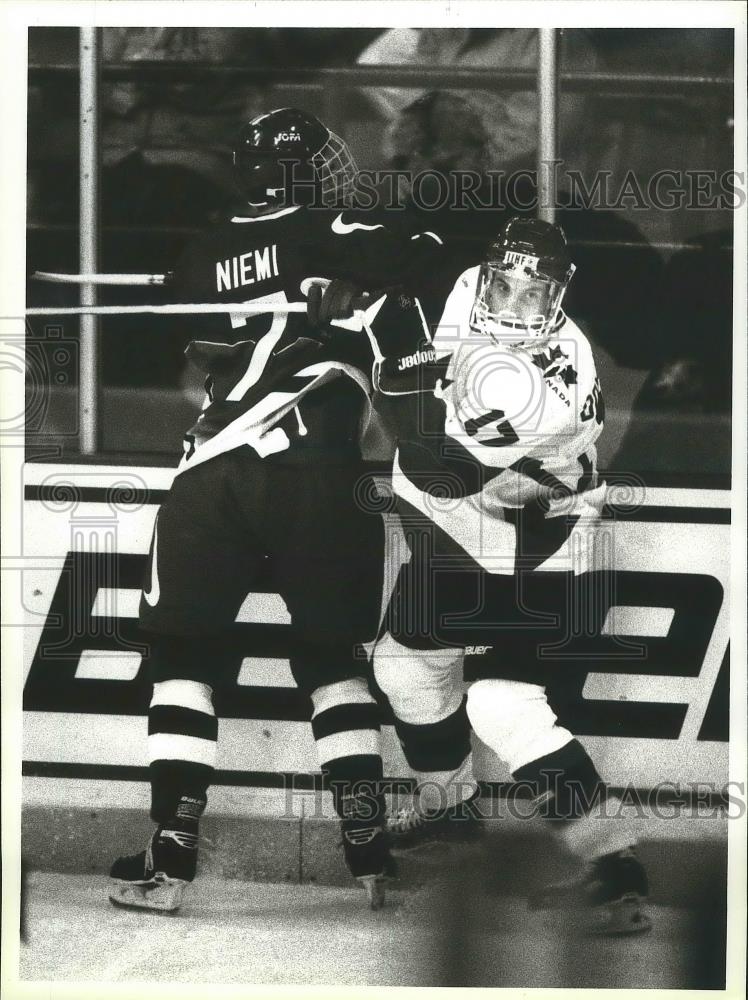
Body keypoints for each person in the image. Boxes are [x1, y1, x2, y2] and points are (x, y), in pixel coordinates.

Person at [108, 107, 445, 912]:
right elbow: (433, 260)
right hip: (323, 478)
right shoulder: (340, 225)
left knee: (184, 658)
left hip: (214, 474)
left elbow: (205, 353)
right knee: (333, 659)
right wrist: (349, 282)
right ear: (303, 171)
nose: (336, 166)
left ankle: (171, 853)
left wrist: (271, 295)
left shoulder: (200, 251)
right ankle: (367, 850)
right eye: (321, 157)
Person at [360, 216, 651, 935]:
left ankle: (615, 869)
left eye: (533, 295)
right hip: (470, 536)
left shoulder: (550, 386)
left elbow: (434, 464)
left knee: (501, 705)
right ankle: (450, 815)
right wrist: (381, 290)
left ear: (561, 297)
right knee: (403, 668)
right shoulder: (468, 289)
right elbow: (439, 311)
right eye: (504, 286)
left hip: (542, 550)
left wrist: (385, 373)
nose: (512, 306)